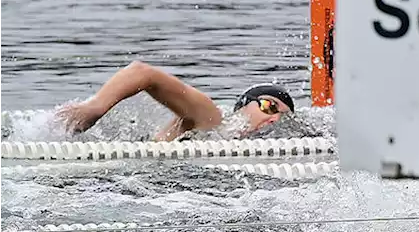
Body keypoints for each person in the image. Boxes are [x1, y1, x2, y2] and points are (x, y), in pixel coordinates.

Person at [55, 60, 295, 141]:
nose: (274, 118)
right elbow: (142, 73)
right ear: (245, 104)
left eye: (282, 117)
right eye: (269, 106)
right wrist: (94, 108)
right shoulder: (212, 119)